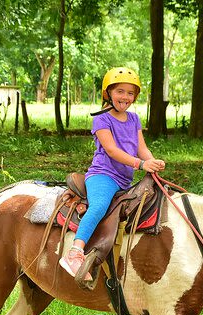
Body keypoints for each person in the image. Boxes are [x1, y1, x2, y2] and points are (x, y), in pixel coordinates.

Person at [59, 67, 165, 280]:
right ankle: (75, 251)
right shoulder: (102, 119)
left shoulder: (134, 119)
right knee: (99, 206)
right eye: (120, 91)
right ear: (108, 93)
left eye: (130, 93)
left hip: (125, 179)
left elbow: (140, 147)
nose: (125, 97)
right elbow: (111, 150)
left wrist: (151, 161)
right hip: (103, 175)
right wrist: (140, 164)